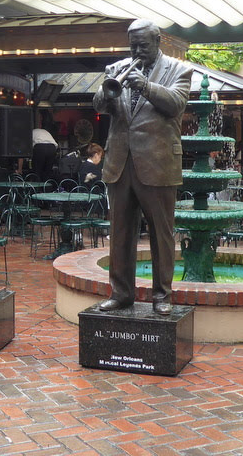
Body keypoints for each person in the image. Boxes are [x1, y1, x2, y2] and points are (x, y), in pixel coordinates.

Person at [93, 19, 192, 316]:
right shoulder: (116, 68)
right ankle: (121, 293)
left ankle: (162, 295)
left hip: (158, 163)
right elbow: (98, 105)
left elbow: (176, 104)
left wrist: (146, 86)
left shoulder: (179, 69)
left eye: (142, 45)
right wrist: (106, 93)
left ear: (158, 41)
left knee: (161, 234)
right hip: (120, 163)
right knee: (120, 233)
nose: (136, 51)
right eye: (132, 45)